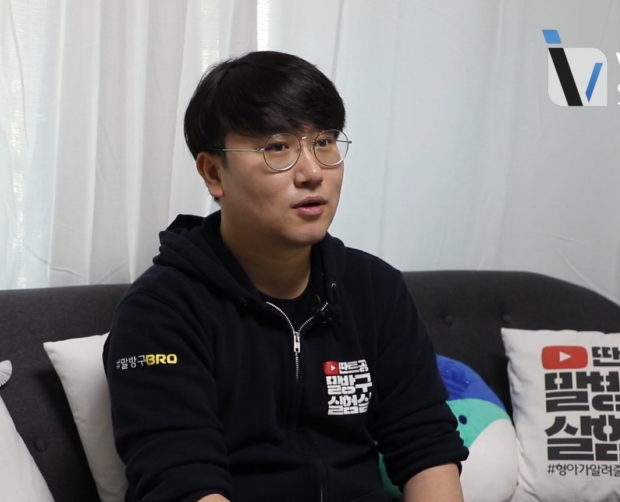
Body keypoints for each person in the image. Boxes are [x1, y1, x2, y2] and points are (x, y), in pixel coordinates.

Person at [103, 50, 468, 502]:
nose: (313, 172)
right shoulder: (160, 311)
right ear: (214, 172)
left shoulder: (375, 289)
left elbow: (426, 446)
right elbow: (181, 481)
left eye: (324, 142)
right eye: (278, 147)